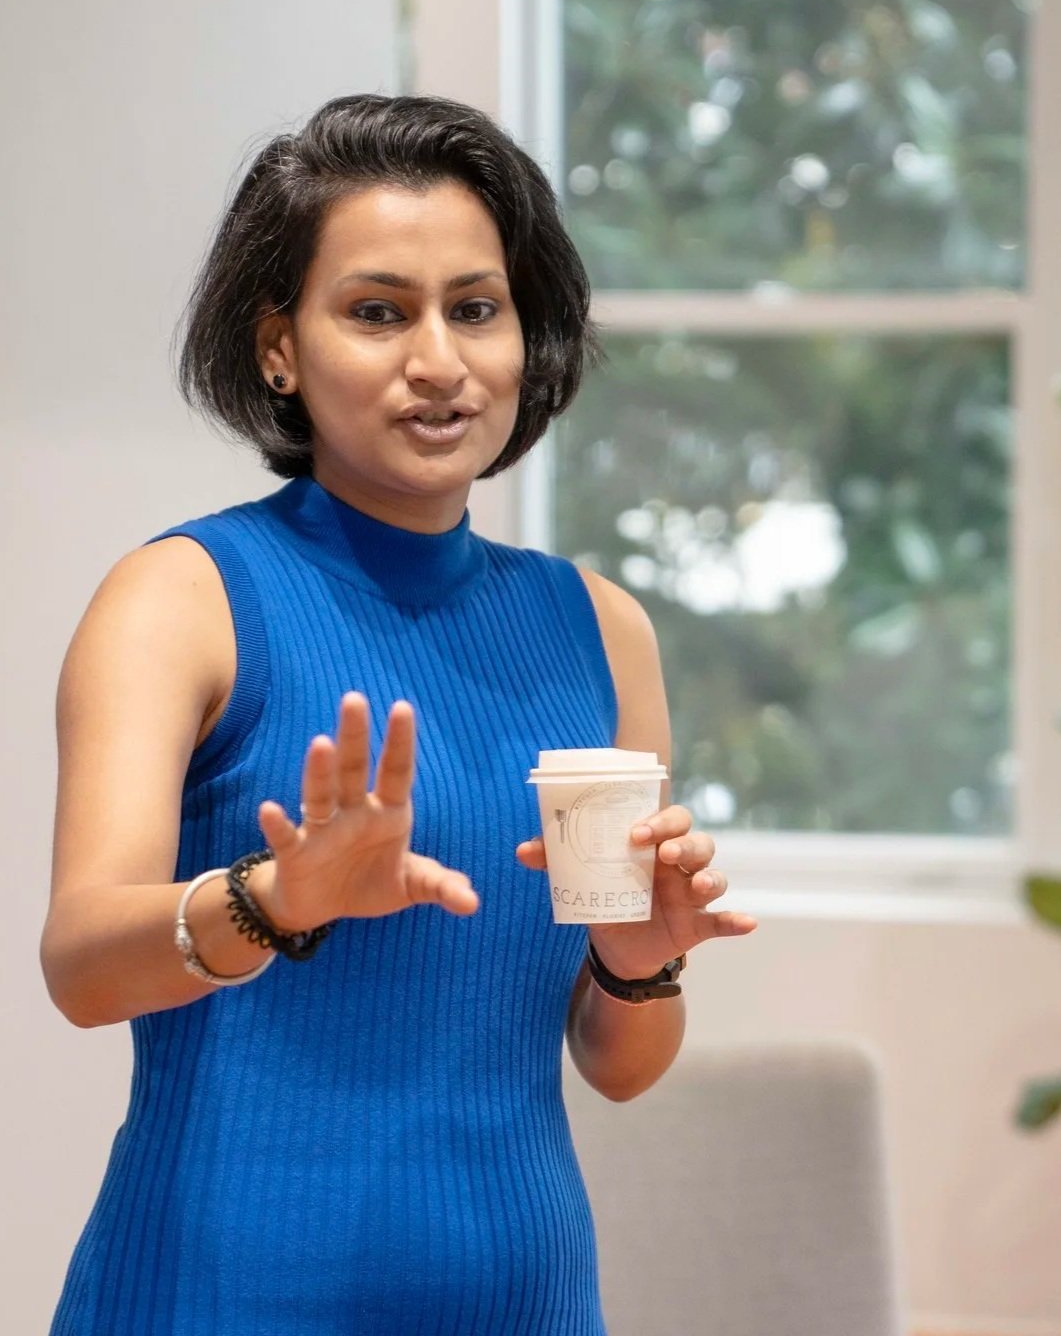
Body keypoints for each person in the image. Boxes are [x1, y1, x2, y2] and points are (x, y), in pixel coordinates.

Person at [40, 93, 759, 1335]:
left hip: (524, 1297)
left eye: (475, 309)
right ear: (280, 346)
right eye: (378, 312)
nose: (438, 360)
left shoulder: (603, 631)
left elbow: (618, 1065)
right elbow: (83, 967)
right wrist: (278, 897)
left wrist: (640, 962)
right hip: (215, 1296)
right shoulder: (179, 597)